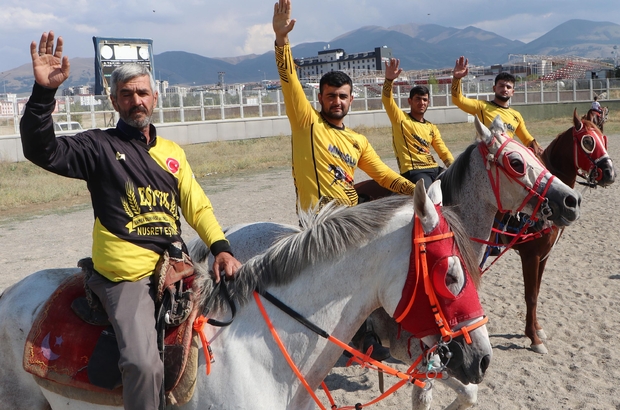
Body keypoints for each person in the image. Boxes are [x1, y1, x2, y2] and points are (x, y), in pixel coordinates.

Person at [20, 31, 241, 410]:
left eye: (142, 93)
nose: (135, 100)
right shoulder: (97, 147)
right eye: (127, 93)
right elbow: (43, 150)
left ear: (155, 98)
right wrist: (43, 95)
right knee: (142, 364)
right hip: (125, 279)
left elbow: (197, 206)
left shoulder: (173, 154)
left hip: (174, 267)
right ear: (114, 99)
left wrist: (220, 247)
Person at [273, 0, 412, 361]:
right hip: (318, 222)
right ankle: (358, 340)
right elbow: (289, 81)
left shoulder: (357, 141)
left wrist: (418, 190)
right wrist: (280, 41)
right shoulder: (306, 123)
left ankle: (386, 330)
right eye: (331, 95)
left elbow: (381, 175)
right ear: (319, 98)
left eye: (343, 96)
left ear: (351, 100)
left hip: (350, 219)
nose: (337, 101)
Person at [382, 58, 454, 188]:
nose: (422, 103)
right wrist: (389, 80)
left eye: (425, 100)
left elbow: (443, 151)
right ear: (410, 101)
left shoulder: (431, 127)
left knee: (460, 186)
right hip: (414, 171)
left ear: (428, 102)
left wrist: (455, 169)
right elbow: (387, 100)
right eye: (418, 99)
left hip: (434, 169)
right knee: (428, 196)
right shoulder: (400, 119)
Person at [452, 56, 544, 157]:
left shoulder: (516, 115)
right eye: (501, 86)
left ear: (512, 92)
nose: (505, 89)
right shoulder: (481, 106)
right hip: (485, 159)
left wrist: (540, 151)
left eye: (508, 87)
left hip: (506, 160)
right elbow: (458, 100)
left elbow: (527, 139)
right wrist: (457, 78)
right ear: (494, 88)